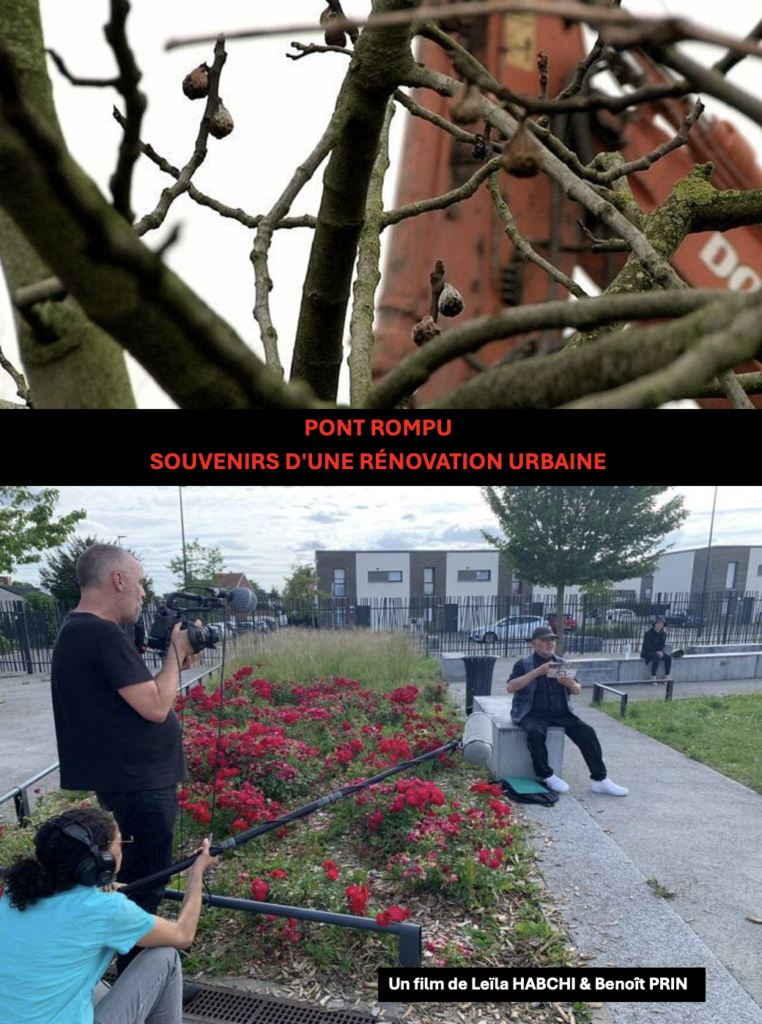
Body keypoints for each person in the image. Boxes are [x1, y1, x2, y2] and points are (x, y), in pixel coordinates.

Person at [50, 543, 199, 979]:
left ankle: (139, 974)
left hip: (131, 780)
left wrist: (176, 660)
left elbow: (137, 697)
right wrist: (174, 654)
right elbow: (155, 706)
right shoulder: (97, 632)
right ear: (117, 580)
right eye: (138, 582)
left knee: (135, 880)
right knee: (144, 888)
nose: (142, 592)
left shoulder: (81, 631)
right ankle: (141, 983)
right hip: (140, 785)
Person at [0, 806, 218, 1024]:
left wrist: (97, 889)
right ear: (101, 861)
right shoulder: (106, 909)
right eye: (120, 843)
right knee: (164, 956)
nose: (123, 849)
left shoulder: (15, 892)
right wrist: (197, 873)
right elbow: (183, 934)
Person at [507, 626, 629, 796]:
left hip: (561, 712)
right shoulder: (524, 664)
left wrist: (571, 684)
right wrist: (537, 672)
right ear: (534, 643)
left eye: (552, 640)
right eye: (545, 640)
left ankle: (599, 779)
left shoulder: (562, 663)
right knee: (535, 733)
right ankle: (546, 775)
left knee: (587, 732)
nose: (550, 643)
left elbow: (577, 689)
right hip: (532, 712)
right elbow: (511, 687)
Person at [640, 616, 672, 685]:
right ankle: (653, 676)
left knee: (668, 657)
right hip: (647, 652)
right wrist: (656, 651)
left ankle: (666, 676)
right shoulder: (648, 633)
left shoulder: (663, 634)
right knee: (656, 657)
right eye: (658, 623)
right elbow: (647, 645)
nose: (659, 625)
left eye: (661, 624)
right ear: (654, 624)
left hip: (658, 651)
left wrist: (661, 651)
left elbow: (662, 645)